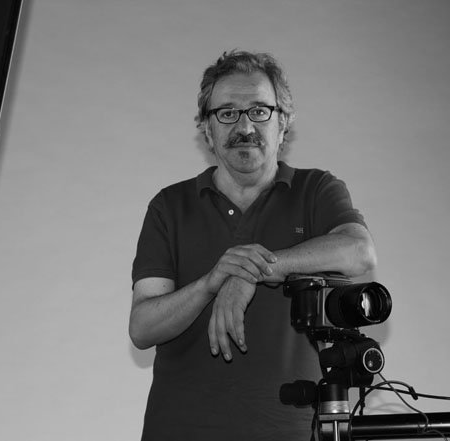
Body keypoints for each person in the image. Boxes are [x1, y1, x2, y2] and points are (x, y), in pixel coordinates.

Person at [129, 50, 377, 441]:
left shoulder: (316, 190)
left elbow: (359, 252)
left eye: (259, 111)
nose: (244, 126)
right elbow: (142, 328)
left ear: (284, 122)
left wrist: (255, 272)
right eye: (227, 113)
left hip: (292, 433)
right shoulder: (169, 206)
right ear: (207, 128)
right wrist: (211, 282)